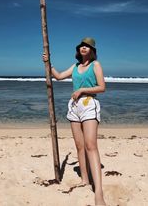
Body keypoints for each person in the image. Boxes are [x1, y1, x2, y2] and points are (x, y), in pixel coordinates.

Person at [43, 37, 106, 206]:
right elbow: (58, 76)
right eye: (82, 46)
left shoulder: (96, 65)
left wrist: (82, 89)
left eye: (87, 46)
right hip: (74, 107)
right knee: (79, 146)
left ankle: (98, 192)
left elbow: (102, 87)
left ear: (92, 50)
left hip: (89, 104)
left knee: (90, 145)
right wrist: (49, 62)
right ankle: (85, 180)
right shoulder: (76, 66)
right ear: (79, 50)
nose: (84, 48)